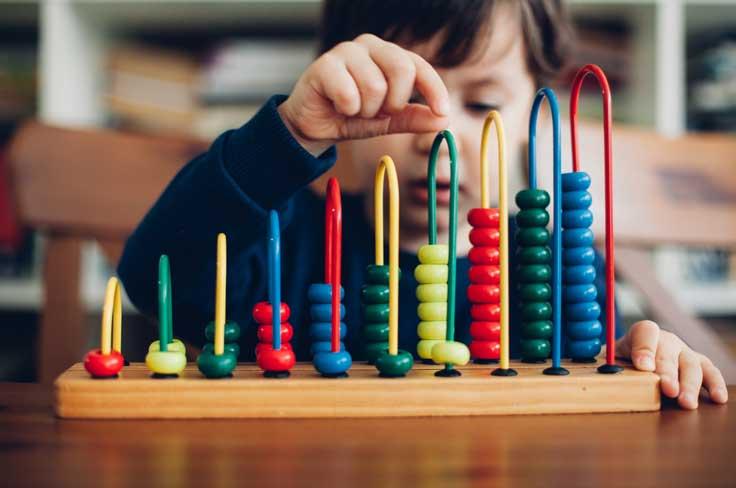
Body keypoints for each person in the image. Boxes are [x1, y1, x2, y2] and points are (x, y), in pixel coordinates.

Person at [118, 0, 727, 409]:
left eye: (483, 102)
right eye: (398, 97)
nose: (436, 134)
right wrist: (284, 137)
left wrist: (646, 354)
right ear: (336, 95)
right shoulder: (280, 238)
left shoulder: (555, 266)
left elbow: (596, 382)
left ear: (530, 116)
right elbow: (151, 277)